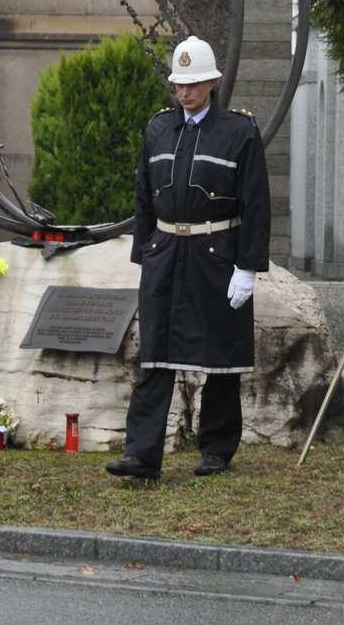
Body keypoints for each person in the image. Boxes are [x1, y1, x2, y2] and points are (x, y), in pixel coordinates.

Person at [105, 34, 270, 480]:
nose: (185, 92)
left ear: (213, 82)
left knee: (219, 354)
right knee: (155, 354)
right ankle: (142, 454)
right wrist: (144, 253)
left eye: (194, 83)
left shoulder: (239, 131)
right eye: (179, 83)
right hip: (165, 252)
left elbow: (255, 203)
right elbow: (143, 195)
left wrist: (248, 267)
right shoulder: (158, 128)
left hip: (215, 253)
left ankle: (216, 449)